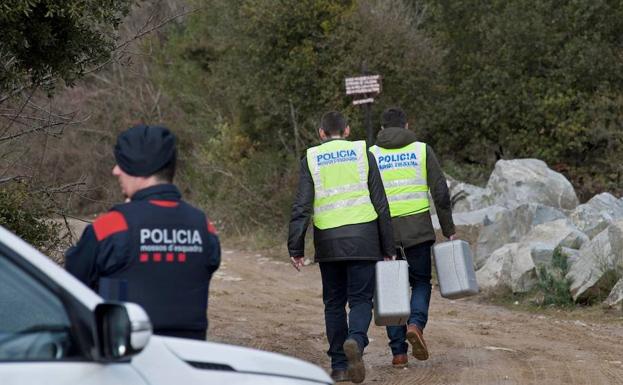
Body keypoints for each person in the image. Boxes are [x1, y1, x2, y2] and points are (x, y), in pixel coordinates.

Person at [65, 124, 221, 340]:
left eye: (122, 163)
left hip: (124, 361)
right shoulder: (204, 227)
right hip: (186, 361)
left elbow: (69, 286)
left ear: (139, 168)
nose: (115, 170)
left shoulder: (111, 227)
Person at [288, 111, 395, 383]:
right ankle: (356, 342)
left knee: (334, 303)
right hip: (364, 238)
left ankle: (338, 366)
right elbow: (381, 203)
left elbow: (302, 206)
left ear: (321, 133)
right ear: (347, 131)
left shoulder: (310, 158)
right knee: (360, 300)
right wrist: (388, 245)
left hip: (329, 242)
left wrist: (296, 247)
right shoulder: (363, 153)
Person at [369, 107, 456, 367]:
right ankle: (416, 324)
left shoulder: (371, 154)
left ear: (382, 129)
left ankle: (398, 353)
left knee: (390, 288)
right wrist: (448, 228)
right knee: (420, 282)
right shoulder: (421, 150)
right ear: (407, 125)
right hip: (418, 231)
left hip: (384, 234)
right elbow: (440, 192)